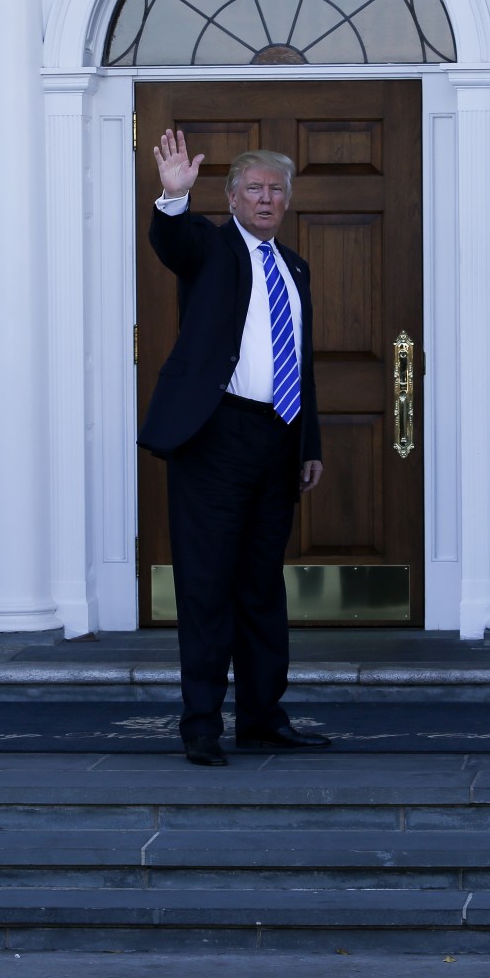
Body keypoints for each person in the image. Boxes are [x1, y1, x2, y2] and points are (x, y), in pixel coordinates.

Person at [139, 129, 330, 766]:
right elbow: (173, 242)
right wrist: (172, 199)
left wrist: (308, 441)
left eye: (277, 190)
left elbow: (299, 363)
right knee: (206, 585)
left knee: (260, 586)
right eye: (255, 189)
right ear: (231, 197)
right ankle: (200, 724)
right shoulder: (211, 248)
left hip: (277, 438)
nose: (267, 199)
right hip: (215, 435)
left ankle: (262, 716)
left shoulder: (295, 266)